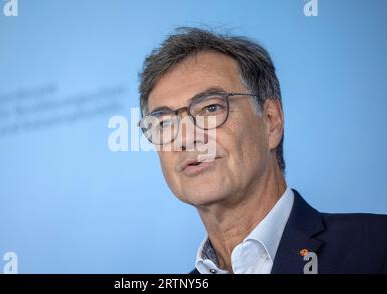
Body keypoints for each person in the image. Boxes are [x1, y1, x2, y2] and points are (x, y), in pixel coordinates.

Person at [137, 27, 387, 274]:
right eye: (164, 123)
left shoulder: (376, 247)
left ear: (271, 121)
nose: (185, 138)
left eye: (211, 109)